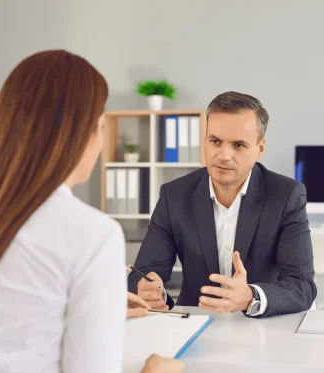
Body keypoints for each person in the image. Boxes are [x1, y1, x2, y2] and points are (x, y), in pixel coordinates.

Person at [0, 50, 184, 373]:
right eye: (99, 128)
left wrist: (96, 311)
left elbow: (7, 326)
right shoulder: (93, 235)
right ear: (77, 135)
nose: (99, 144)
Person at [128, 91, 316, 318]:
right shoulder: (174, 195)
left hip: (263, 324)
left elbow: (302, 286)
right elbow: (143, 275)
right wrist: (150, 292)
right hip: (194, 321)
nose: (224, 155)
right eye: (215, 141)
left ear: (260, 149)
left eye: (238, 145)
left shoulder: (286, 195)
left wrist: (251, 297)